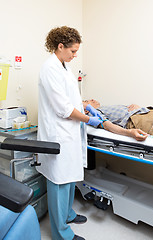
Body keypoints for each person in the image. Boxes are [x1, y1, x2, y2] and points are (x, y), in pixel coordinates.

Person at [36, 26, 104, 240]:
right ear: (60, 46)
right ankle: (61, 234)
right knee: (58, 181)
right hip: (58, 134)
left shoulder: (64, 66)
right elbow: (62, 108)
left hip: (69, 131)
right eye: (73, 51)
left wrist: (84, 105)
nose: (75, 55)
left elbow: (69, 100)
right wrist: (89, 119)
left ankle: (67, 214)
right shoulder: (50, 68)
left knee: (68, 179)